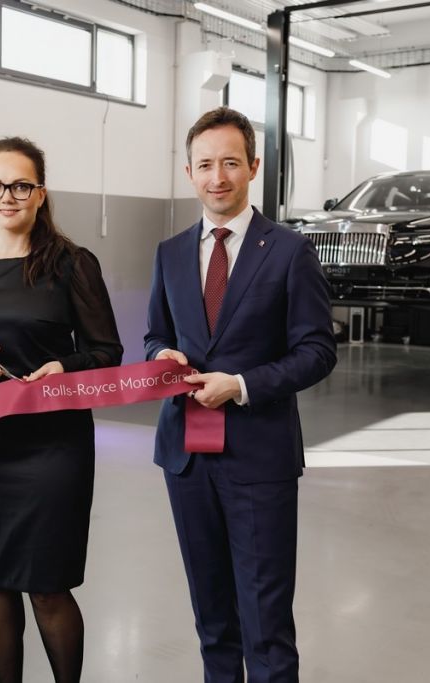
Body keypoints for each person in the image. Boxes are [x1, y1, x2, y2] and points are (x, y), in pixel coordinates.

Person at [144, 107, 336, 683]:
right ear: (188, 172)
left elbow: (317, 350)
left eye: (230, 163)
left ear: (253, 166)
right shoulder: (171, 252)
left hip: (258, 456)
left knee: (266, 623)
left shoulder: (289, 251)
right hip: (186, 456)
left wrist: (243, 386)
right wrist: (162, 356)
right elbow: (156, 332)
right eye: (205, 165)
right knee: (212, 618)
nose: (217, 177)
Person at [0, 136, 122, 683]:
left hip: (52, 449)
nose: (6, 196)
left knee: (48, 585)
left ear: (40, 193)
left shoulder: (72, 264)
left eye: (20, 185)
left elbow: (107, 353)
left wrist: (65, 367)